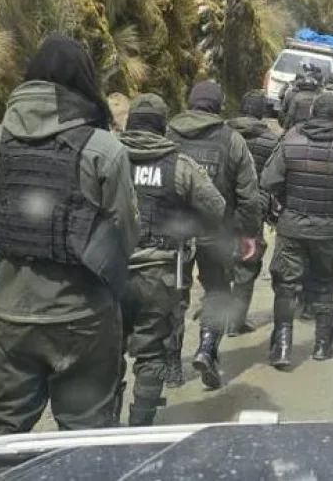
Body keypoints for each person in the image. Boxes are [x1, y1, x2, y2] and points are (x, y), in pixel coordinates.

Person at [0, 35, 139, 436]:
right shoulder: (105, 150)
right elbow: (126, 236)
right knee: (86, 435)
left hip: (10, 313)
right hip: (83, 317)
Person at [118, 93, 227, 426]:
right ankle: (141, 425)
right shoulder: (180, 165)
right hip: (159, 271)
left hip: (108, 270)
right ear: (164, 127)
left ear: (129, 122)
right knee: (150, 353)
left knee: (106, 350)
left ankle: (106, 422)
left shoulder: (105, 156)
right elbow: (217, 208)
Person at [261, 94, 333, 367]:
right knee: (324, 285)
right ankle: (322, 345)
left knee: (286, 286)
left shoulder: (290, 141)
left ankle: (283, 347)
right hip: (329, 229)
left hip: (292, 226)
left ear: (311, 112)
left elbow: (268, 180)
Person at [166, 81, 262, 390]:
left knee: (173, 298)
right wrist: (250, 235)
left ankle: (171, 367)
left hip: (175, 235)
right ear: (219, 106)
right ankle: (207, 349)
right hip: (217, 234)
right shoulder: (232, 140)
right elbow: (249, 195)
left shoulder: (168, 135)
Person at [226, 90, 282, 336]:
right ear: (261, 113)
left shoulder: (223, 135)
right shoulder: (271, 141)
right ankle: (235, 322)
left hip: (220, 206)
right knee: (247, 263)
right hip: (253, 209)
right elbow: (275, 179)